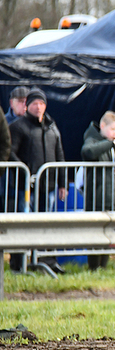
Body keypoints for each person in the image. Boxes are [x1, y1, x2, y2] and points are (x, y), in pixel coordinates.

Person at [9, 88, 66, 273]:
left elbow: (59, 155)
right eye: (35, 103)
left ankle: (47, 261)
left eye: (41, 103)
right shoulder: (18, 126)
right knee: (24, 225)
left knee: (47, 225)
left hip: (47, 186)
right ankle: (19, 263)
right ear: (28, 106)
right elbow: (9, 152)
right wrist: (24, 172)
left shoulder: (52, 127)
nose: (39, 107)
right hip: (25, 187)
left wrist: (63, 183)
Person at [80, 111, 115, 269]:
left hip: (109, 193)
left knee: (107, 231)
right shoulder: (93, 138)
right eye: (113, 130)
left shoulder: (107, 142)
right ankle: (94, 267)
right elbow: (88, 152)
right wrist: (111, 144)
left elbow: (108, 162)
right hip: (96, 194)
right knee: (96, 232)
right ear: (103, 126)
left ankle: (103, 266)